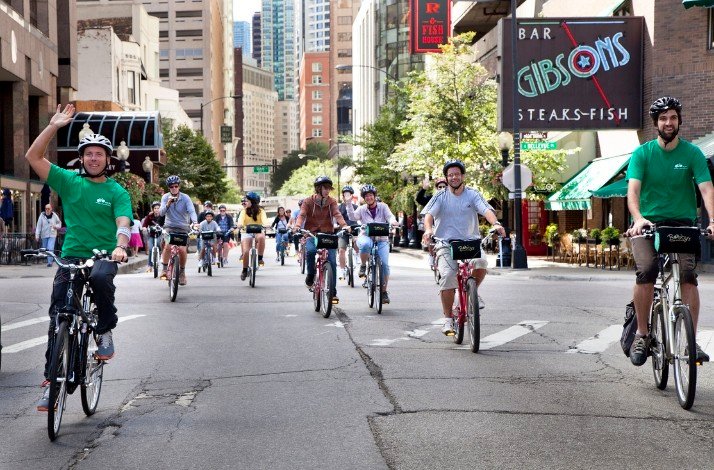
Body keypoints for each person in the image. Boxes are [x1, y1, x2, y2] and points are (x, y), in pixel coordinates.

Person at [25, 104, 132, 411]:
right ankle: (51, 384)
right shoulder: (69, 181)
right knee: (59, 314)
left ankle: (104, 329)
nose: (93, 158)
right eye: (88, 153)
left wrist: (121, 246)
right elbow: (33, 157)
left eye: (99, 154)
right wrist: (53, 126)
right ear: (82, 158)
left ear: (107, 160)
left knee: (100, 278)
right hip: (71, 253)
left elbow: (123, 223)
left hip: (103, 254)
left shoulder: (116, 192)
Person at [625, 96, 713, 365]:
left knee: (688, 274)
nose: (668, 122)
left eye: (673, 117)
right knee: (647, 270)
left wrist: (712, 221)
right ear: (656, 123)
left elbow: (706, 188)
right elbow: (633, 191)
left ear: (679, 121)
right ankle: (642, 334)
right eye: (663, 118)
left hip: (682, 223)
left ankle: (691, 341)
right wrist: (638, 218)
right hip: (648, 223)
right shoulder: (643, 153)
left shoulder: (692, 153)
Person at [421, 160, 505, 335]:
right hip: (446, 243)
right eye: (450, 175)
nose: (453, 177)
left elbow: (486, 209)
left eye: (457, 174)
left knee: (481, 263)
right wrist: (428, 230)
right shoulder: (440, 196)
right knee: (449, 275)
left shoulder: (472, 194)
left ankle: (471, 291)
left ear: (463, 176)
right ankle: (447, 319)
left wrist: (496, 223)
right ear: (446, 177)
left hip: (470, 241)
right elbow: (429, 215)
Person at [293, 176, 350, 304]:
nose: (327, 190)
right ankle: (311, 274)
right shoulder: (308, 201)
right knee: (311, 251)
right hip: (312, 234)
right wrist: (297, 226)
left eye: (329, 188)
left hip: (327, 234)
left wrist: (344, 225)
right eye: (325, 188)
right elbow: (302, 215)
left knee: (331, 261)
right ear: (318, 188)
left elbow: (337, 214)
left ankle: (333, 291)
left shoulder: (332, 202)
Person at [346, 184, 399, 304]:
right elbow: (353, 217)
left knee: (385, 265)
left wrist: (393, 222)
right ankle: (364, 265)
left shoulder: (383, 206)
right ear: (364, 198)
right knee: (365, 245)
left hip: (382, 239)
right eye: (366, 196)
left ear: (374, 196)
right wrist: (348, 204)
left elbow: (390, 216)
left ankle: (384, 292)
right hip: (366, 236)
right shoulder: (362, 209)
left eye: (371, 195)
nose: (369, 197)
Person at [159, 175, 198, 285]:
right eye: (171, 187)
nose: (174, 188)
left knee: (182, 250)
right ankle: (165, 269)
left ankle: (182, 272)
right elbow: (161, 213)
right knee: (167, 246)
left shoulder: (185, 198)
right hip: (169, 226)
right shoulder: (165, 197)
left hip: (183, 227)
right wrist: (167, 204)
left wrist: (195, 223)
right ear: (169, 188)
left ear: (179, 186)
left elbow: (191, 211)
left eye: (176, 186)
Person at [236, 192, 267, 280]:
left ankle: (260, 258)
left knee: (261, 237)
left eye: (247, 200)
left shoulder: (261, 211)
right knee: (246, 251)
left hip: (258, 231)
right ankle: (244, 270)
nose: (245, 202)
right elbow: (240, 221)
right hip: (246, 232)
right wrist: (239, 225)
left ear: (253, 202)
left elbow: (265, 221)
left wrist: (267, 225)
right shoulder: (243, 211)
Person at [338, 186, 359, 280]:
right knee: (341, 250)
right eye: (345, 194)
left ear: (351, 196)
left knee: (358, 246)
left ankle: (357, 259)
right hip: (343, 232)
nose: (346, 196)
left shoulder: (356, 207)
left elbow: (359, 219)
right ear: (343, 196)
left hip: (355, 231)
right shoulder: (339, 208)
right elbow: (335, 219)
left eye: (348, 194)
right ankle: (342, 270)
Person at [142, 201, 164, 271]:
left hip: (160, 234)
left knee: (159, 244)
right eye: (155, 208)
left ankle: (161, 255)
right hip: (151, 235)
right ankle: (150, 265)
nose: (157, 209)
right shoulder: (150, 216)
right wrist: (144, 228)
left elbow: (167, 223)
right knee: (151, 249)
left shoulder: (163, 216)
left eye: (158, 208)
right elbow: (144, 224)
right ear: (153, 209)